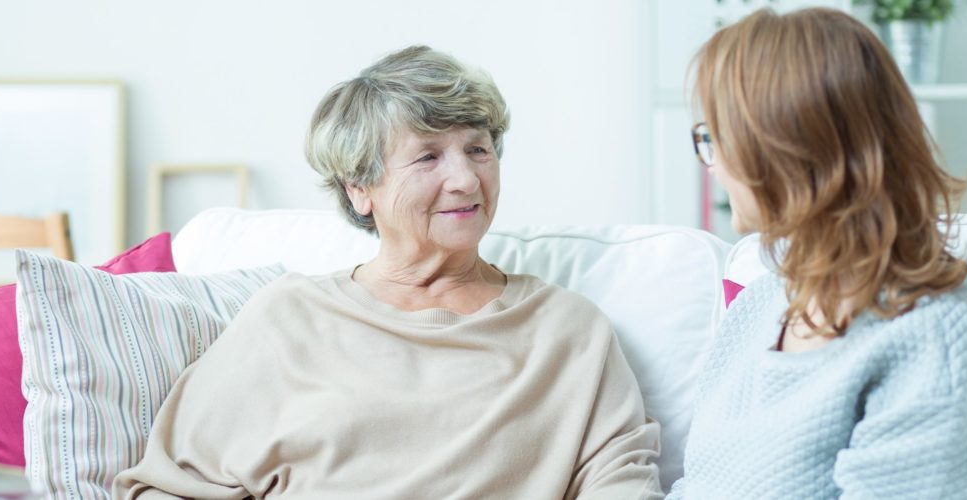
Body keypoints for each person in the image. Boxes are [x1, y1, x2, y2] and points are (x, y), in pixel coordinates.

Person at [113, 45, 664, 499]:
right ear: (359, 189)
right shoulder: (289, 319)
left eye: (478, 149)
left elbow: (623, 484)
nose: (467, 180)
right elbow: (169, 485)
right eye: (428, 157)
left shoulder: (568, 332)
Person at [667, 7, 967, 499]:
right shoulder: (760, 304)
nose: (712, 162)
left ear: (785, 149)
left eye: (714, 136)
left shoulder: (940, 342)